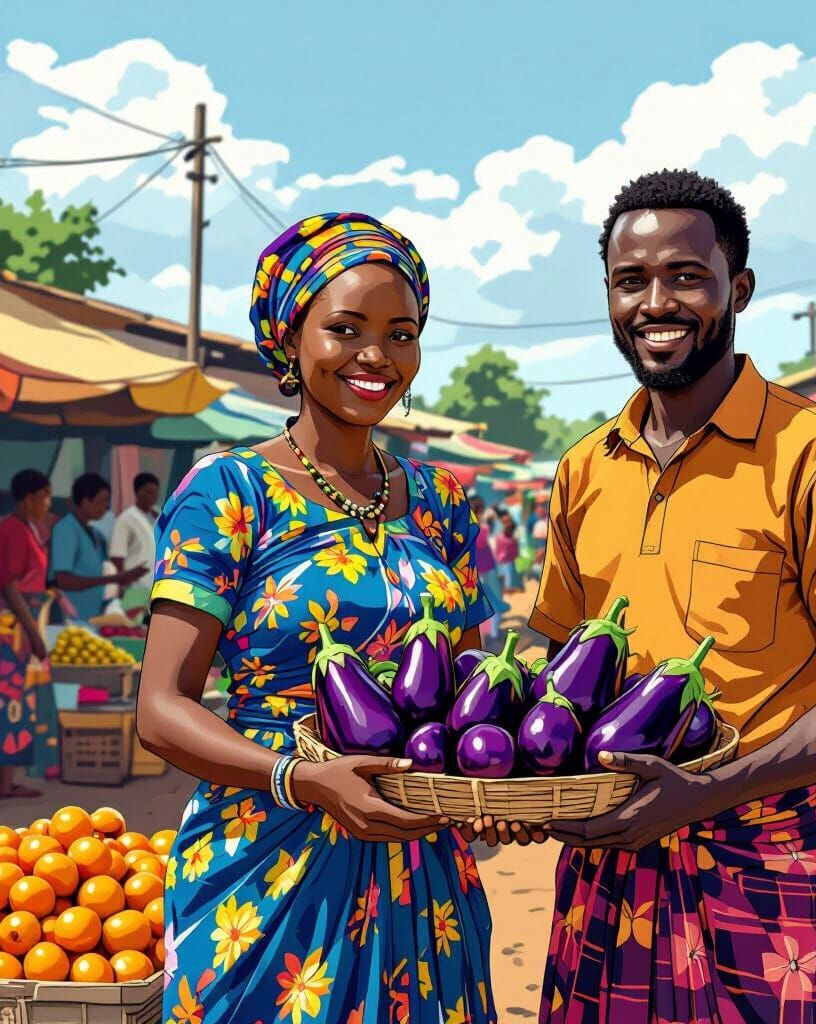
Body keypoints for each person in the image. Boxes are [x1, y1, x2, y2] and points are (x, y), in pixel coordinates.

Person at [526, 170, 816, 1024]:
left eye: (685, 277)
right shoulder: (585, 469)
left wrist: (708, 789)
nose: (655, 303)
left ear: (737, 289)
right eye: (631, 281)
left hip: (764, 864)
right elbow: (557, 666)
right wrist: (519, 775)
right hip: (608, 868)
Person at [137, 213, 531, 1024]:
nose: (376, 355)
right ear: (291, 339)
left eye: (401, 333)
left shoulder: (442, 501)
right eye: (346, 329)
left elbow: (469, 695)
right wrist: (304, 779)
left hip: (424, 871)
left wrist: (499, 787)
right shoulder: (229, 492)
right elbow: (161, 709)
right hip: (267, 862)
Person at [0, 470, 53, 798]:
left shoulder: (26, 528)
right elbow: (10, 585)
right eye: (45, 496)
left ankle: (7, 780)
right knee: (11, 702)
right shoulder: (14, 530)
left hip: (20, 623)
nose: (48, 502)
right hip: (13, 628)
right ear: (28, 498)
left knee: (14, 701)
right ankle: (5, 783)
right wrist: (34, 634)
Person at [50, 473, 144, 622]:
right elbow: (63, 580)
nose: (105, 507)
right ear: (85, 501)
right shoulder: (65, 530)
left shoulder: (97, 535)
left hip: (94, 617)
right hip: (69, 617)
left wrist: (122, 580)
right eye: (101, 501)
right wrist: (112, 579)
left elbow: (105, 574)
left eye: (107, 502)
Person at [109, 471, 162, 593]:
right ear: (137, 492)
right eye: (148, 493)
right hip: (135, 588)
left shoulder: (158, 517)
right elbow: (117, 558)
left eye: (155, 494)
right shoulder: (126, 519)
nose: (153, 497)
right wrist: (122, 586)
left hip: (157, 587)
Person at [470, 493, 503, 647]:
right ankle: (492, 634)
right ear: (480, 511)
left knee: (481, 604)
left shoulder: (464, 527)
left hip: (473, 571)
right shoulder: (481, 528)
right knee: (494, 601)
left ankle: (486, 635)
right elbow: (482, 544)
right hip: (486, 570)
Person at [494, 510, 522, 593]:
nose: (507, 523)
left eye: (508, 521)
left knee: (510, 571)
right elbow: (499, 544)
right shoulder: (501, 530)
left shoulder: (514, 529)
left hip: (510, 555)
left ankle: (510, 586)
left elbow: (516, 541)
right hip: (504, 556)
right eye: (505, 521)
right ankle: (507, 587)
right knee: (506, 572)